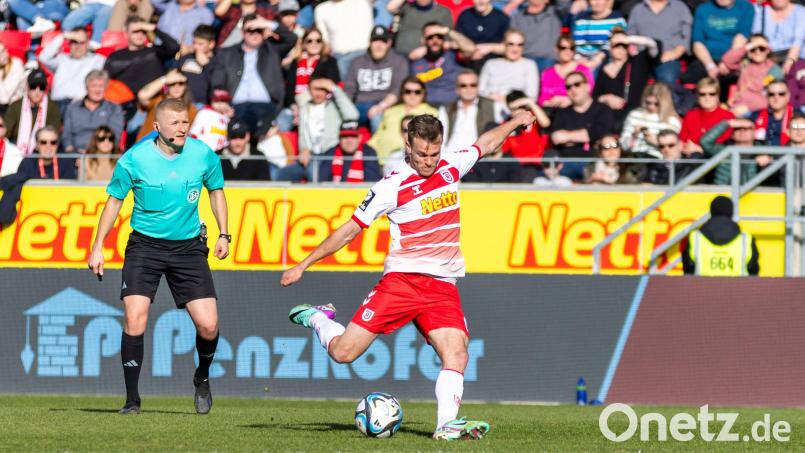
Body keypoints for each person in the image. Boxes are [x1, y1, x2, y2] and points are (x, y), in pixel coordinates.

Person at [279, 108, 538, 440]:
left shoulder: (450, 166)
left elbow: (485, 143)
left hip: (443, 286)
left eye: (434, 153)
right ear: (407, 145)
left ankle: (445, 426)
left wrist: (516, 122)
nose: (428, 161)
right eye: (421, 154)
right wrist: (303, 264)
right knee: (344, 353)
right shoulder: (391, 185)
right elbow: (348, 231)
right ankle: (318, 318)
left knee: (457, 352)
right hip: (402, 282)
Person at [87, 98, 230, 415]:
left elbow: (216, 191)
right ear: (158, 127)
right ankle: (132, 401)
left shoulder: (203, 155)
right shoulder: (134, 158)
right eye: (176, 123)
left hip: (189, 248)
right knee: (134, 319)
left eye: (186, 122)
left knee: (208, 326)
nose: (182, 128)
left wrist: (223, 233)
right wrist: (98, 245)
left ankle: (202, 377)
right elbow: (113, 202)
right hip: (145, 247)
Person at [210, 14, 298, 135]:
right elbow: (218, 82)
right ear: (242, 32)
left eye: (259, 30)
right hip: (235, 107)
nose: (255, 34)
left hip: (266, 107)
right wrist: (221, 101)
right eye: (250, 30)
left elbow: (291, 38)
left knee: (265, 133)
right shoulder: (226, 53)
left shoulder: (272, 50)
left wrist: (267, 23)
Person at [276, 75, 359, 182]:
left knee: (315, 174)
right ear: (309, 90)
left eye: (323, 89)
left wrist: (334, 88)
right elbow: (303, 134)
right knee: (281, 175)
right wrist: (304, 149)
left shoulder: (334, 106)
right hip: (308, 156)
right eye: (316, 89)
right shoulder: (304, 106)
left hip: (328, 156)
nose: (319, 93)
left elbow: (353, 115)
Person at [549, 71, 615, 181]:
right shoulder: (561, 112)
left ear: (588, 86)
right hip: (566, 164)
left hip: (595, 163)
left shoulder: (603, 110)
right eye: (568, 87)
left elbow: (600, 134)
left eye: (577, 84)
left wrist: (568, 137)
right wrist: (585, 135)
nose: (573, 89)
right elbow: (557, 138)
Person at [344, 26, 410, 132]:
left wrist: (380, 107)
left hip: (385, 105)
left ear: (389, 43)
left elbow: (398, 90)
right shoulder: (357, 62)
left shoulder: (399, 61)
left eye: (383, 41)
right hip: (359, 106)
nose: (379, 45)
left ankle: (377, 148)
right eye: (375, 41)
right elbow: (349, 90)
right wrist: (345, 111)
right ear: (370, 42)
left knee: (376, 117)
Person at [593, 29, 660, 125]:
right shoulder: (604, 70)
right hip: (609, 117)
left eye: (624, 45)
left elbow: (654, 46)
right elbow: (595, 97)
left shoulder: (638, 62)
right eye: (616, 45)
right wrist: (607, 98)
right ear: (610, 47)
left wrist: (629, 39)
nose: (620, 48)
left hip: (634, 116)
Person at [279, 27, 341, 131]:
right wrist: (294, 107)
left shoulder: (329, 62)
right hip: (295, 107)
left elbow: (332, 86)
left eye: (318, 40)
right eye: (309, 41)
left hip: (320, 106)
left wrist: (308, 108)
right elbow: (289, 89)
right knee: (282, 122)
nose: (314, 43)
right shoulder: (296, 62)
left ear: (322, 43)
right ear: (303, 44)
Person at [103, 16, 181, 98]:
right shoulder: (115, 56)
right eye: (135, 31)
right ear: (126, 34)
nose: (140, 34)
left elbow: (174, 47)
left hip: (154, 101)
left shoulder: (155, 51)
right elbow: (105, 80)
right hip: (124, 102)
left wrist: (154, 29)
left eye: (143, 31)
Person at [682, 195, 759, 276]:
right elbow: (753, 271)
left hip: (702, 288)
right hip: (737, 288)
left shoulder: (695, 238)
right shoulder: (746, 240)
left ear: (711, 212)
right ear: (731, 213)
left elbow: (687, 269)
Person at [626, 0, 692, 87]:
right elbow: (630, 35)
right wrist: (633, 51)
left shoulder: (680, 7)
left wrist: (675, 53)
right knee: (632, 78)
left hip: (668, 57)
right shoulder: (638, 9)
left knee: (667, 78)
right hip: (642, 57)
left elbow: (686, 36)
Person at [368, 76, 437, 161]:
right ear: (402, 93)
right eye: (408, 91)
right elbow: (377, 136)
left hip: (409, 162)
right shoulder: (390, 111)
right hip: (380, 159)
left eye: (417, 92)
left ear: (423, 94)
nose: (412, 95)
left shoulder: (431, 113)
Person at [686, 0, 755, 85]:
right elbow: (698, 43)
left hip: (735, 58)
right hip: (707, 59)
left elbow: (741, 38)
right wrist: (710, 65)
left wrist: (728, 62)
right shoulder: (703, 9)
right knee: (692, 77)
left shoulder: (746, 7)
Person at [409, 22, 476, 106]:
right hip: (425, 108)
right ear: (423, 40)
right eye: (430, 37)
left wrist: (448, 31)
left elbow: (471, 49)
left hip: (452, 107)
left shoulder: (452, 55)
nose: (435, 40)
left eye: (439, 36)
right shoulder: (416, 61)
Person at [38, 28, 107, 111]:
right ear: (69, 43)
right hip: (57, 103)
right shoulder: (62, 59)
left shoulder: (97, 60)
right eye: (74, 42)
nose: (78, 46)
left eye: (81, 43)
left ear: (88, 44)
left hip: (80, 105)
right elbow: (43, 58)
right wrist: (64, 36)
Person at [62, 70, 125, 154]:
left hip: (103, 154)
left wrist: (94, 154)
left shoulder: (114, 108)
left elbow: (115, 136)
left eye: (101, 86)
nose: (97, 90)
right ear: (87, 87)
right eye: (94, 86)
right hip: (76, 154)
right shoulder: (72, 108)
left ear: (106, 88)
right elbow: (66, 135)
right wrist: (71, 152)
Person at [722, 34, 784, 117]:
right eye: (753, 49)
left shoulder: (773, 69)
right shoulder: (745, 64)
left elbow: (776, 98)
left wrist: (748, 107)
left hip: (758, 111)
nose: (757, 51)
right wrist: (746, 47)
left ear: (768, 50)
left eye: (761, 48)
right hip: (736, 106)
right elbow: (727, 60)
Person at [478, 29, 539, 110]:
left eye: (519, 45)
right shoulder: (490, 64)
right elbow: (480, 91)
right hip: (489, 106)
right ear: (503, 44)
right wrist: (492, 97)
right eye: (511, 44)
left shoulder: (529, 65)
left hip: (516, 109)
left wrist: (506, 99)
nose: (515, 48)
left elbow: (532, 97)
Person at [437, 69, 496, 153]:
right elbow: (441, 138)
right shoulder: (446, 109)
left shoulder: (493, 105)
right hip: (451, 156)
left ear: (478, 87)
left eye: (473, 85)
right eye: (463, 85)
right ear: (457, 89)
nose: (469, 88)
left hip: (480, 157)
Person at [5, 70, 62, 156]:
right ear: (27, 87)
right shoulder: (16, 106)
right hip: (16, 149)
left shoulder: (52, 107)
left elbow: (54, 132)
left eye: (41, 87)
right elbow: (6, 131)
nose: (37, 91)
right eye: (33, 87)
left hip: (42, 150)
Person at [313, 0, 374, 78]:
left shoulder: (362, 2)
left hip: (365, 53)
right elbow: (325, 42)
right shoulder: (321, 9)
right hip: (339, 57)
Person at [620, 83, 681, 159]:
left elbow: (673, 152)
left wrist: (656, 141)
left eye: (656, 104)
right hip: (634, 159)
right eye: (648, 103)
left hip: (659, 163)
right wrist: (634, 135)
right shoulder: (634, 115)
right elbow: (623, 146)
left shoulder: (672, 121)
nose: (651, 107)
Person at [500, 90, 551, 181]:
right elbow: (503, 149)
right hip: (516, 167)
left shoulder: (534, 118)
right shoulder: (507, 124)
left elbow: (545, 123)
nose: (517, 112)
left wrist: (530, 102)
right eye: (513, 109)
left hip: (537, 166)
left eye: (520, 107)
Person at [137, 70, 199, 141]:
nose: (176, 87)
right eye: (172, 83)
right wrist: (165, 79)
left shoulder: (191, 109)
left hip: (171, 149)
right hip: (146, 145)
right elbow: (142, 95)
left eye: (180, 83)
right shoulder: (157, 100)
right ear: (167, 85)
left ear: (185, 86)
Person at [679, 77, 735, 155]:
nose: (707, 98)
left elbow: (724, 146)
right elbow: (682, 140)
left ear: (718, 96)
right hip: (691, 160)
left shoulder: (728, 116)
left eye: (712, 94)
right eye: (702, 94)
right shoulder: (690, 115)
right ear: (697, 96)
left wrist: (699, 149)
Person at [538, 35, 594, 108]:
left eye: (571, 48)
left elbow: (590, 94)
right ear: (556, 49)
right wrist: (554, 102)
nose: (568, 51)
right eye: (563, 48)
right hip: (552, 111)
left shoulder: (583, 70)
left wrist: (570, 100)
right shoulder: (547, 73)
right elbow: (542, 100)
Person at [316, 121, 382, 182]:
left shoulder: (369, 153)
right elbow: (322, 181)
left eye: (353, 136)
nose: (349, 141)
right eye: (345, 136)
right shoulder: (330, 153)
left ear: (360, 138)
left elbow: (372, 181)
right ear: (339, 138)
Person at [751, 0, 805, 74]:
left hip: (794, 56)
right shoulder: (762, 11)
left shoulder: (800, 11)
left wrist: (789, 64)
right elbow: (756, 38)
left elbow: (798, 41)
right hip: (768, 56)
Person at [455, 0, 511, 71]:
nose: (481, 1)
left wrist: (490, 47)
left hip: (495, 66)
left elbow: (510, 47)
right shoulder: (465, 16)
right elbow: (457, 46)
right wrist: (469, 54)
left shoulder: (502, 18)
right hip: (469, 66)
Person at [570, 0, 627, 69]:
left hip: (607, 59)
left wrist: (598, 58)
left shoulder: (617, 19)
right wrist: (579, 58)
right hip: (583, 59)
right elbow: (577, 42)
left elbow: (616, 41)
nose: (597, 3)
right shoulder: (581, 18)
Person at [700, 117, 759, 184]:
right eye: (738, 128)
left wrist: (766, 163)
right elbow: (705, 142)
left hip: (754, 193)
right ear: (732, 135)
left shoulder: (763, 152)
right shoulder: (724, 151)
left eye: (746, 129)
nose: (742, 131)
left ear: (754, 133)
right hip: (723, 192)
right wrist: (727, 123)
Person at [510, 0, 562, 73]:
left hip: (548, 58)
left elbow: (564, 3)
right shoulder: (517, 17)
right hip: (525, 58)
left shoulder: (555, 12)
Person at [389, 0, 453, 57]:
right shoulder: (407, 8)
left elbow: (448, 42)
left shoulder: (443, 12)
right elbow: (391, 8)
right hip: (401, 56)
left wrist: (427, 49)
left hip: (426, 59)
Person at [179, 25, 217, 106]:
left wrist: (207, 64)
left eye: (200, 44)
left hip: (202, 105)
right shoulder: (186, 58)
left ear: (211, 44)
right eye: (194, 43)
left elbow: (216, 84)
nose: (196, 47)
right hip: (181, 102)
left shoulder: (217, 63)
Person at [0, 43, 26, 115]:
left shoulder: (16, 65)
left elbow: (4, 99)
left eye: (3, 50)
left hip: (14, 110)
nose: (4, 55)